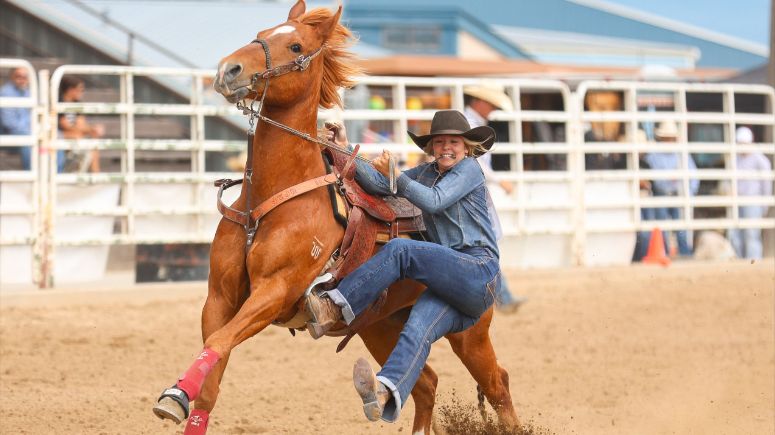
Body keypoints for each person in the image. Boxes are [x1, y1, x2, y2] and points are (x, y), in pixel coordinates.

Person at [308, 110, 502, 424]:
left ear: (467, 147)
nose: (446, 148)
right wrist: (341, 149)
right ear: (432, 147)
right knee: (415, 330)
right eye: (439, 143)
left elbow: (435, 200)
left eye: (453, 142)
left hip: (478, 271)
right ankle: (385, 392)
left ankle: (335, 305)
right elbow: (379, 183)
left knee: (402, 250)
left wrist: (396, 177)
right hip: (453, 284)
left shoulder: (470, 170)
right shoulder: (425, 173)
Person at [463, 83, 526, 312]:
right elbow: (475, 163)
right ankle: (502, 296)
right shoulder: (469, 125)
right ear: (480, 102)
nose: (491, 109)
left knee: (484, 245)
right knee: (485, 245)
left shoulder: (473, 123)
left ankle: (502, 295)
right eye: (490, 104)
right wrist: (500, 181)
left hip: (472, 193)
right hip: (472, 195)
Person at [643, 121, 699, 257]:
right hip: (661, 193)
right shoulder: (653, 155)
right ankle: (665, 252)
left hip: (678, 194)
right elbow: (652, 177)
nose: (669, 141)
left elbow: (693, 176)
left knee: (680, 227)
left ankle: (684, 252)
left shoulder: (682, 154)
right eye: (666, 138)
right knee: (662, 227)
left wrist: (689, 193)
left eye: (671, 138)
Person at [728, 126, 772, 259]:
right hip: (737, 201)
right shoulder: (735, 159)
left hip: (753, 201)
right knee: (735, 235)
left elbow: (766, 184)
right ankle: (742, 262)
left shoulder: (759, 159)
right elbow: (728, 180)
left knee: (751, 235)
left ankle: (754, 263)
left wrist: (764, 203)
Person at [58, 76, 104, 173]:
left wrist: (92, 129)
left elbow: (81, 124)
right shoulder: (59, 102)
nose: (82, 92)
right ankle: (84, 173)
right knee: (79, 136)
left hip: (73, 134)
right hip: (59, 134)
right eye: (80, 89)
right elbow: (64, 126)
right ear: (70, 90)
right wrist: (86, 129)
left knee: (93, 139)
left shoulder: (76, 103)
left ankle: (96, 173)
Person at [0, 67, 32, 170]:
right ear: (11, 77)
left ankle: (54, 174)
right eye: (18, 76)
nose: (22, 79)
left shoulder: (27, 91)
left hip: (25, 131)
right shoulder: (5, 92)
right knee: (28, 139)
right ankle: (30, 174)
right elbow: (9, 123)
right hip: (9, 134)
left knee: (55, 136)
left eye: (25, 77)